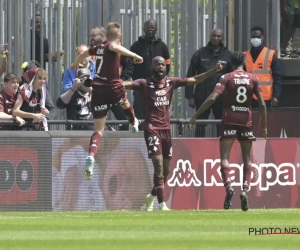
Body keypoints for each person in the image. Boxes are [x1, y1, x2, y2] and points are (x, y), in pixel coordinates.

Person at [123, 56, 222, 211]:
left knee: (166, 171)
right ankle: (162, 204)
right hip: (152, 129)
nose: (160, 67)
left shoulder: (171, 82)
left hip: (166, 130)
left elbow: (195, 80)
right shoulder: (144, 83)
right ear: (152, 67)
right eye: (157, 64)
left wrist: (213, 71)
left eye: (163, 64)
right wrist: (109, 85)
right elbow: (126, 85)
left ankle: (151, 196)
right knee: (159, 165)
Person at [189, 52, 267, 212]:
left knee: (224, 158)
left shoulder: (226, 78)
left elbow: (212, 98)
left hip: (229, 119)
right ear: (243, 63)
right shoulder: (253, 78)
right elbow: (262, 104)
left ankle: (229, 187)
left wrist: (196, 116)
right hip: (246, 119)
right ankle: (245, 190)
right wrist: (264, 126)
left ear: (231, 64)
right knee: (247, 159)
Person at [70, 22, 143, 180]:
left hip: (98, 90)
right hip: (112, 87)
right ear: (119, 36)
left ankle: (91, 155)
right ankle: (134, 122)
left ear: (104, 35)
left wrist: (75, 64)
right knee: (126, 104)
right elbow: (115, 48)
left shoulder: (97, 48)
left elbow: (83, 55)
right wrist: (135, 55)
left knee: (98, 131)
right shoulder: (111, 45)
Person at [185, 28, 232, 137]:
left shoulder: (228, 55)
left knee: (221, 124)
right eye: (213, 36)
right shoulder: (200, 53)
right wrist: (190, 97)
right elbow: (190, 75)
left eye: (218, 36)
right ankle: (199, 149)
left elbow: (231, 77)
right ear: (210, 37)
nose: (216, 38)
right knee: (200, 124)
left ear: (223, 38)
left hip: (221, 97)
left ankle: (221, 148)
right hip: (202, 96)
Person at [90, 26, 133, 130]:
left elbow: (129, 65)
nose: (91, 39)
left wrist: (121, 80)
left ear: (103, 36)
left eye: (94, 36)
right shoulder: (92, 49)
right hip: (98, 90)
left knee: (122, 118)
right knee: (97, 122)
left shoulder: (116, 48)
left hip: (113, 88)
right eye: (90, 36)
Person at [130, 19, 170, 121]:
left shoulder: (162, 46)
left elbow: (167, 64)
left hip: (157, 85)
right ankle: (140, 134)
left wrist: (161, 78)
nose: (150, 30)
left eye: (152, 28)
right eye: (148, 28)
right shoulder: (136, 46)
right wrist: (135, 78)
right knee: (139, 110)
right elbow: (129, 65)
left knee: (157, 109)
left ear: (156, 29)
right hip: (140, 85)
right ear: (143, 29)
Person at [57, 44, 95, 130]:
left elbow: (101, 91)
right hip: (74, 114)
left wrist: (84, 86)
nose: (81, 56)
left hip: (92, 116)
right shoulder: (70, 70)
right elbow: (66, 91)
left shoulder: (97, 68)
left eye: (84, 54)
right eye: (78, 54)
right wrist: (75, 86)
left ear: (89, 55)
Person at [244, 26, 282, 108]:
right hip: (248, 96)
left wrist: (276, 96)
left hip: (265, 97)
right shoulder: (245, 55)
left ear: (262, 38)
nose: (255, 39)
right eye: (253, 36)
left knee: (264, 120)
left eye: (258, 36)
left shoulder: (271, 55)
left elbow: (278, 77)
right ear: (250, 38)